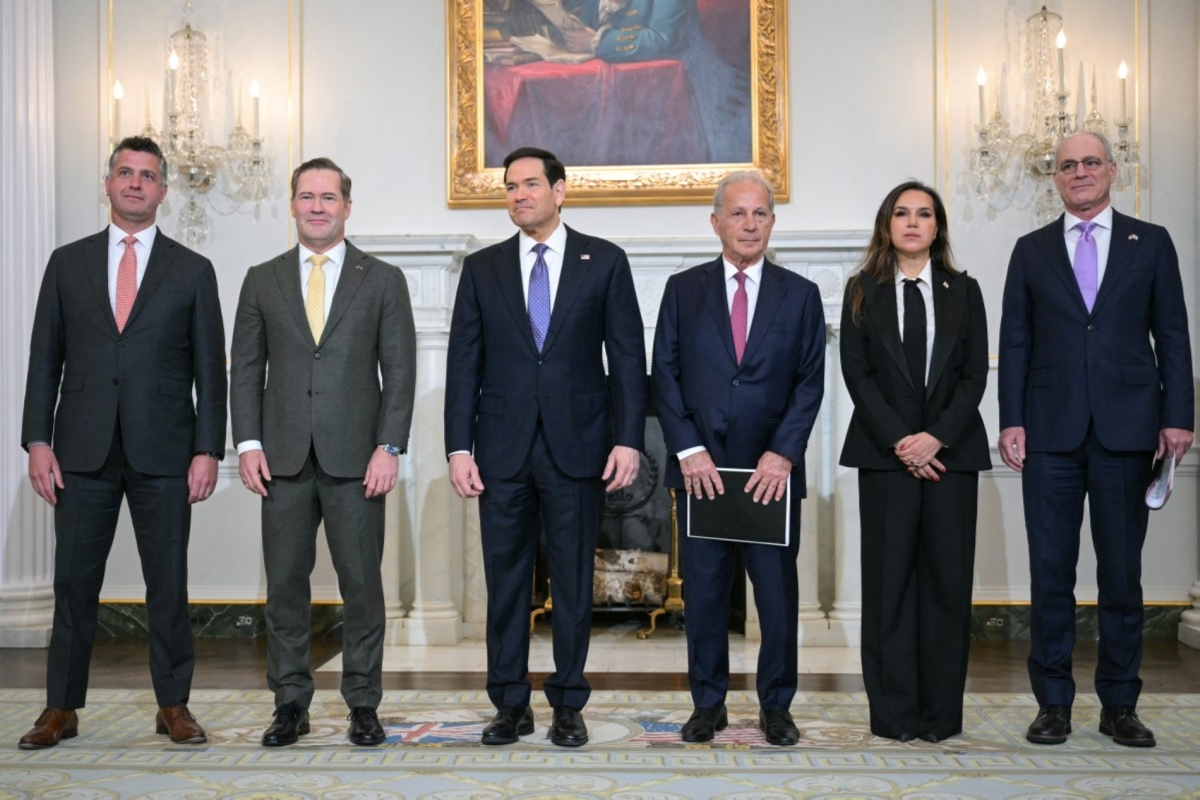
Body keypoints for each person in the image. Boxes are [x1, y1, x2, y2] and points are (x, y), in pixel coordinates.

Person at [19, 136, 227, 749]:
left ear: (164, 190)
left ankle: (173, 705)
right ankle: (61, 708)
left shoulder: (193, 270)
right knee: (73, 584)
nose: (136, 184)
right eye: (125, 173)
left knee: (168, 582)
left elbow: (209, 371)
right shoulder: (68, 262)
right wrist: (37, 439)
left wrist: (207, 448)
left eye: (148, 176)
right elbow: (43, 360)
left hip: (165, 450)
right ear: (108, 183)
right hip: (80, 449)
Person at [444, 146, 646, 747]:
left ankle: (567, 703)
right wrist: (459, 447)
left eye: (531, 184)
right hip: (500, 450)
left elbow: (628, 360)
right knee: (504, 582)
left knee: (572, 580)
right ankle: (509, 703)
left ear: (560, 191)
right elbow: (464, 365)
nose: (519, 195)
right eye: (510, 187)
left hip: (578, 446)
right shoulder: (482, 269)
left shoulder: (604, 261)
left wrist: (628, 440)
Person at [998, 131, 1194, 748]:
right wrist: (1010, 419)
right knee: (1050, 574)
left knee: (1121, 576)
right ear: (1054, 179)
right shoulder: (1030, 250)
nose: (1079, 173)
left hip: (1128, 432)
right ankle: (1053, 704)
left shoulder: (1151, 242)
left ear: (1112, 170)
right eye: (1066, 166)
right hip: (1049, 436)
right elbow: (1016, 343)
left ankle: (1120, 707)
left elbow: (1174, 334)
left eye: (1090, 163)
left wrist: (1178, 416)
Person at [229, 157, 416, 747]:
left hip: (358, 460)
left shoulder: (382, 279)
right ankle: (290, 705)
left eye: (328, 197)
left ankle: (363, 703)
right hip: (280, 459)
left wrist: (389, 447)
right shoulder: (263, 277)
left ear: (346, 206)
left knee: (362, 586)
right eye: (306, 196)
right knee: (285, 586)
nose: (316, 206)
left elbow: (401, 372)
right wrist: (248, 443)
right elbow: (245, 369)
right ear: (292, 205)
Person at [651, 170, 825, 746]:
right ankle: (709, 704)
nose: (749, 225)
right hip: (702, 475)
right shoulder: (683, 290)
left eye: (760, 214)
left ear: (772, 223)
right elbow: (665, 375)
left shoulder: (800, 294)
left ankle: (777, 707)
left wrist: (783, 454)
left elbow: (809, 383)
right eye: (738, 213)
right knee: (703, 597)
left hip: (770, 476)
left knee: (775, 598)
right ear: (716, 221)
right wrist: (689, 450)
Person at [839, 181, 991, 743]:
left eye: (923, 214)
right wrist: (905, 442)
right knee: (889, 588)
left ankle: (939, 719)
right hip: (885, 460)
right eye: (901, 213)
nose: (912, 222)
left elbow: (975, 374)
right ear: (887, 224)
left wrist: (936, 439)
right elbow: (859, 377)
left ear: (937, 226)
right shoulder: (862, 290)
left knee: (947, 587)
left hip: (952, 459)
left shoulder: (964, 290)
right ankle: (895, 717)